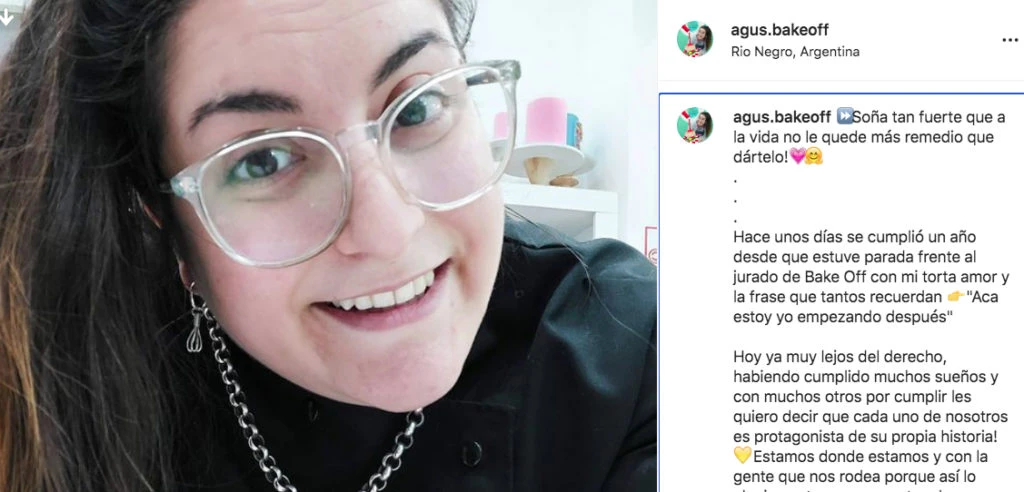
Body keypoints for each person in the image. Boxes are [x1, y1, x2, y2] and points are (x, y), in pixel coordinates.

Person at [0, 1, 656, 491]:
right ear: (164, 221)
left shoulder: (635, 354)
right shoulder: (78, 386)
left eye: (418, 107)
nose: (389, 232)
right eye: (263, 160)